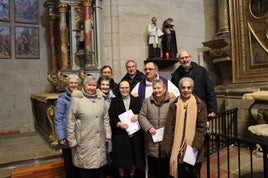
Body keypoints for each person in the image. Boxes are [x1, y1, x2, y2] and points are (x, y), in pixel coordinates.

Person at [66, 76, 112, 178]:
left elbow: (105, 117)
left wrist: (108, 134)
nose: (91, 87)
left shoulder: (100, 99)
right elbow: (70, 121)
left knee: (99, 169)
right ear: (84, 85)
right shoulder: (77, 99)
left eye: (94, 85)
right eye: (89, 85)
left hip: (99, 140)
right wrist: (72, 140)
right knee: (86, 170)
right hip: (83, 141)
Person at [162, 77, 207, 178]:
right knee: (179, 173)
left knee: (192, 173)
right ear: (180, 89)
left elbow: (201, 127)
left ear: (192, 89)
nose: (186, 90)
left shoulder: (200, 105)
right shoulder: (174, 105)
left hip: (193, 147)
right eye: (183, 87)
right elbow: (169, 126)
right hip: (176, 146)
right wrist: (167, 146)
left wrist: (196, 145)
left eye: (188, 87)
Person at [138, 79, 176, 178]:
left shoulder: (172, 101)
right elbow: (141, 116)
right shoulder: (147, 101)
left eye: (159, 88)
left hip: (167, 141)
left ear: (164, 89)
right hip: (151, 140)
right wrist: (148, 127)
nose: (156, 90)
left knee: (165, 170)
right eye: (154, 88)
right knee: (152, 170)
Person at [109, 80, 145, 178]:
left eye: (126, 88)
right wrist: (118, 123)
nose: (124, 90)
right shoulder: (114, 101)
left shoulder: (137, 100)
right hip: (120, 134)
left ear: (129, 88)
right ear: (119, 89)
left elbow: (143, 115)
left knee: (134, 156)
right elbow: (110, 118)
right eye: (122, 88)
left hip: (135, 134)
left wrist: (138, 116)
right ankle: (121, 175)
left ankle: (132, 174)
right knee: (121, 157)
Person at [171, 50, 217, 118]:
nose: (185, 60)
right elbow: (174, 94)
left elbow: (210, 91)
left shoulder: (201, 71)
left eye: (186, 57)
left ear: (190, 58)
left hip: (201, 108)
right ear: (179, 60)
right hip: (184, 110)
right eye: (182, 58)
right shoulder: (175, 76)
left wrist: (212, 110)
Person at [54, 74, 81, 178]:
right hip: (66, 135)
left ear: (79, 85)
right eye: (71, 83)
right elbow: (58, 119)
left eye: (75, 83)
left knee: (79, 161)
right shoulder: (62, 99)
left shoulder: (81, 97)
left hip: (79, 135)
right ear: (67, 84)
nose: (73, 85)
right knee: (69, 163)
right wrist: (60, 136)